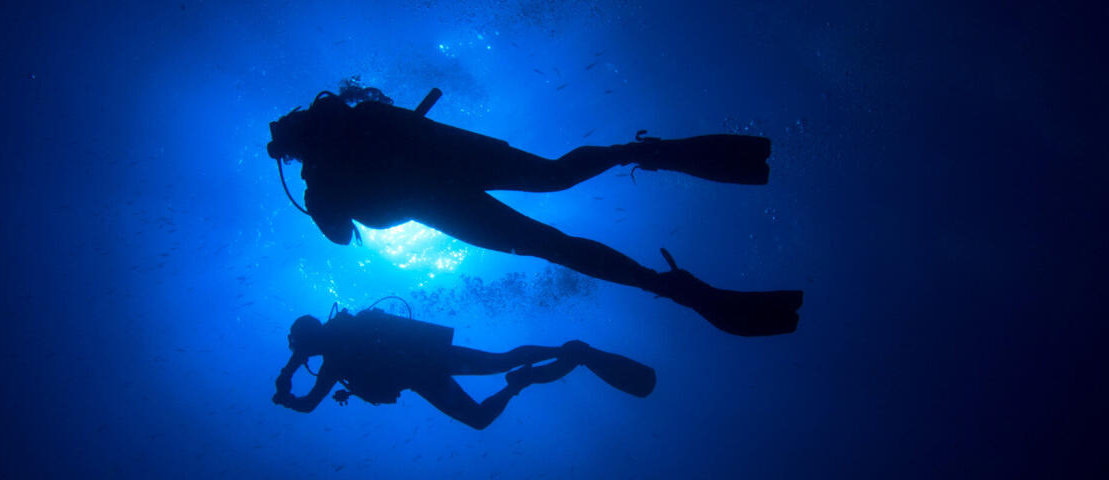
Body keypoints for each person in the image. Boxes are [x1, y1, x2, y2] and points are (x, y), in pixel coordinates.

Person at [267, 88, 803, 337]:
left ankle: (667, 286)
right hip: (451, 161)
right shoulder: (353, 117)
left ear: (293, 152)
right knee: (553, 175)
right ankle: (642, 152)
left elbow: (342, 237)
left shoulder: (320, 188)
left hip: (439, 203)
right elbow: (403, 121)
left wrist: (318, 194)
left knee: (554, 246)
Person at [272, 306, 655, 430]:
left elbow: (305, 404)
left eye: (301, 346)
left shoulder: (334, 351)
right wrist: (289, 379)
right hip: (426, 372)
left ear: (309, 338)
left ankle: (562, 354)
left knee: (497, 369)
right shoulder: (331, 354)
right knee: (486, 401)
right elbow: (306, 395)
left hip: (427, 365)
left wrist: (286, 389)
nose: (301, 352)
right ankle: (522, 380)